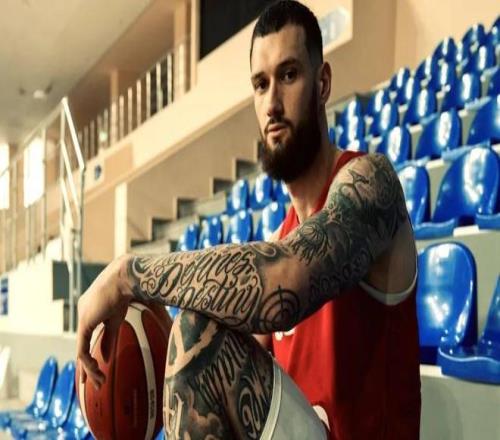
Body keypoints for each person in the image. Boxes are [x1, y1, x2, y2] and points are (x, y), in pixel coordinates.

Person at [76, 1, 421, 438]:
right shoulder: (281, 235)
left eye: (289, 75)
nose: (272, 103)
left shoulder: (370, 183)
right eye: (261, 84)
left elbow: (286, 284)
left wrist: (127, 275)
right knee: (202, 327)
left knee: (196, 334)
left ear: (322, 83)